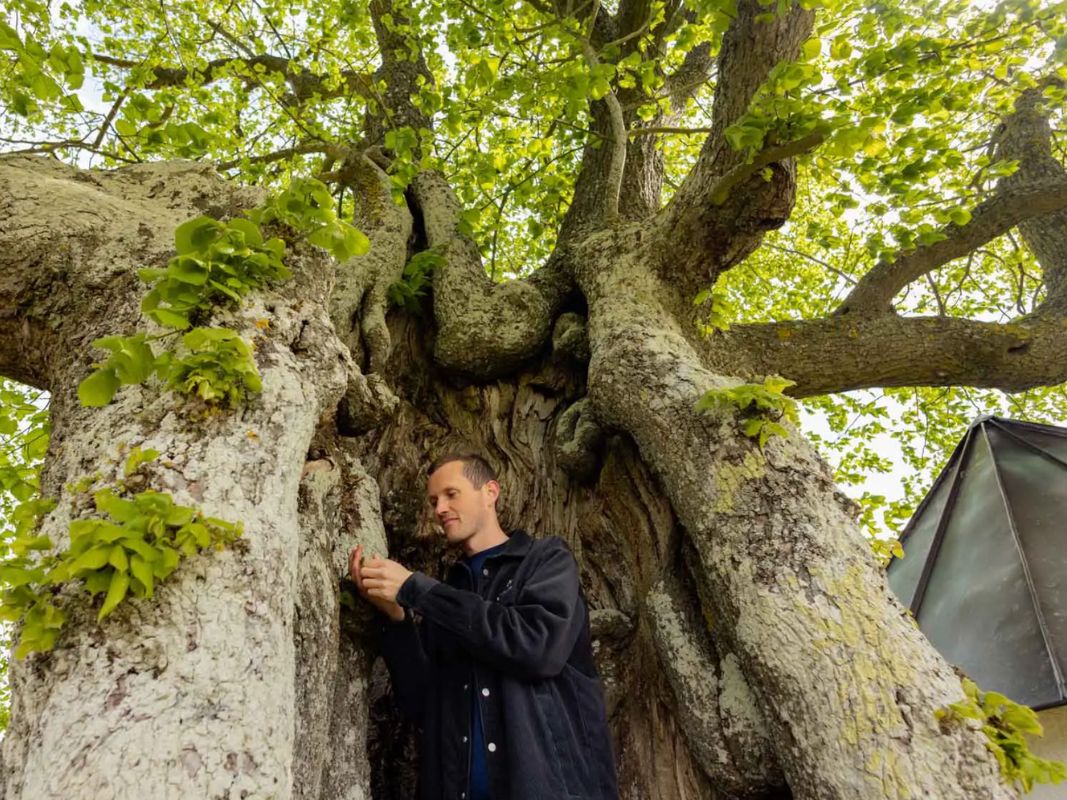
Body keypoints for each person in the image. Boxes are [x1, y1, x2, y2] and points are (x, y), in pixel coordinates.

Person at [349, 452, 619, 800]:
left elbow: (538, 648)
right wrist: (395, 617)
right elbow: (424, 703)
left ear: (490, 492)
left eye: (451, 494)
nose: (439, 509)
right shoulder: (449, 592)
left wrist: (415, 588)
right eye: (433, 501)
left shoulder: (546, 560)